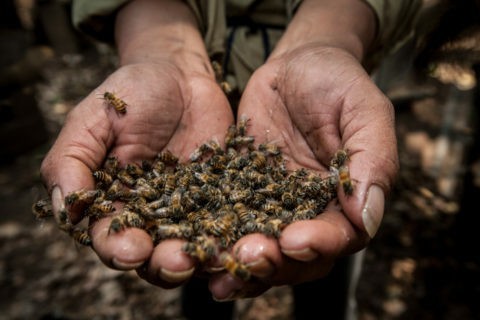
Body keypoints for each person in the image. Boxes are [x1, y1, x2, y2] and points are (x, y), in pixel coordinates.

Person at [40, 0, 420, 318]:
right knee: (201, 274)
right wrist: (158, 42)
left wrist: (332, 35)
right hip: (186, 112)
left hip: (314, 131)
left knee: (327, 252)